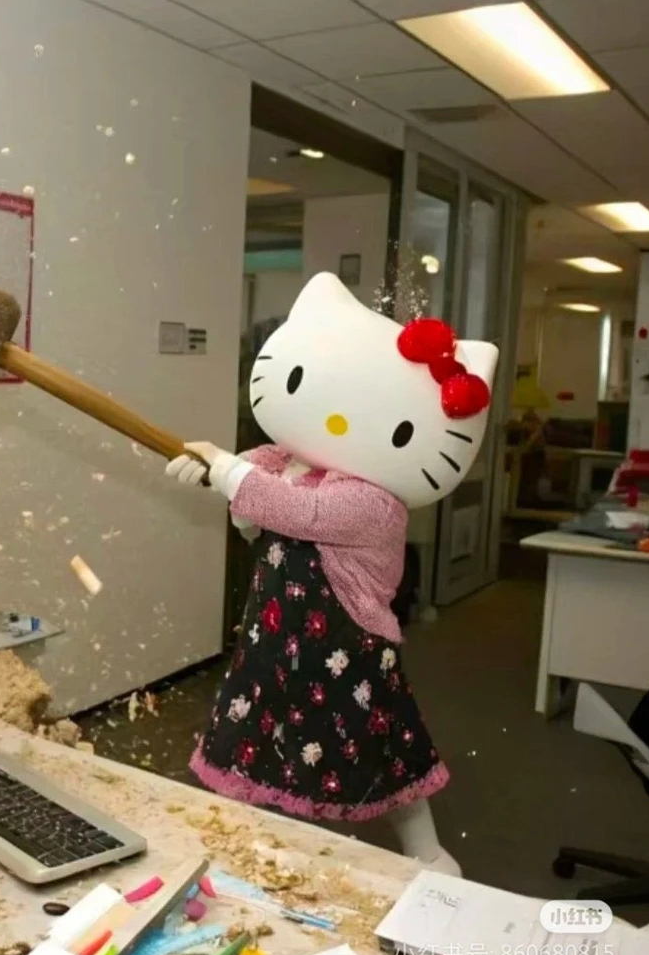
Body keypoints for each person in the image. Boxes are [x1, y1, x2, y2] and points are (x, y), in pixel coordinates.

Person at [166, 272, 498, 876]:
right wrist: (218, 468)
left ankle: (427, 853)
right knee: (252, 734)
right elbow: (262, 476)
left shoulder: (374, 503)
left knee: (380, 747)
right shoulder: (292, 463)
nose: (340, 426)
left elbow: (300, 512)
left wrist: (229, 474)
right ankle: (234, 838)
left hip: (347, 652)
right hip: (275, 642)